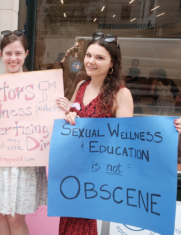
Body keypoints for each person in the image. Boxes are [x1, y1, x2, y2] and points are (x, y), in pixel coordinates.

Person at [56, 32, 133, 234]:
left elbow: (125, 141)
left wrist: (172, 129)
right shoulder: (81, 85)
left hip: (97, 177)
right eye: (89, 55)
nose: (91, 61)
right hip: (72, 173)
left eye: (99, 57)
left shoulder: (121, 94)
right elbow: (71, 124)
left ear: (112, 63)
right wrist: (67, 115)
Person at [0, 30, 48, 235]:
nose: (13, 58)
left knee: (15, 218)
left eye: (17, 53)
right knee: (2, 215)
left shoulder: (40, 85)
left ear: (26, 53)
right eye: (8, 53)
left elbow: (46, 118)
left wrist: (61, 105)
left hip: (23, 161)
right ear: (1, 54)